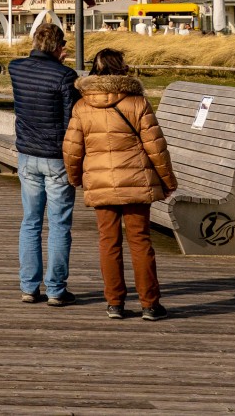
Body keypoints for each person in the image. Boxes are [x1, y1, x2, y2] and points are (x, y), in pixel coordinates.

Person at [64, 48, 177, 321]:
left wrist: (76, 177)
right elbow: (156, 147)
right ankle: (150, 304)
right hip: (136, 182)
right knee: (140, 242)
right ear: (122, 68)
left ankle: (115, 303)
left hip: (100, 181)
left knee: (108, 242)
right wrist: (168, 181)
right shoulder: (137, 102)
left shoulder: (82, 106)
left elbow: (72, 149)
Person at [8, 22, 80, 306]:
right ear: (60, 47)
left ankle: (28, 286)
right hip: (56, 157)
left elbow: (28, 66)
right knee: (59, 224)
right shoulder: (65, 75)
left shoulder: (17, 68)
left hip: (27, 154)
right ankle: (56, 289)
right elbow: (70, 121)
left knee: (31, 221)